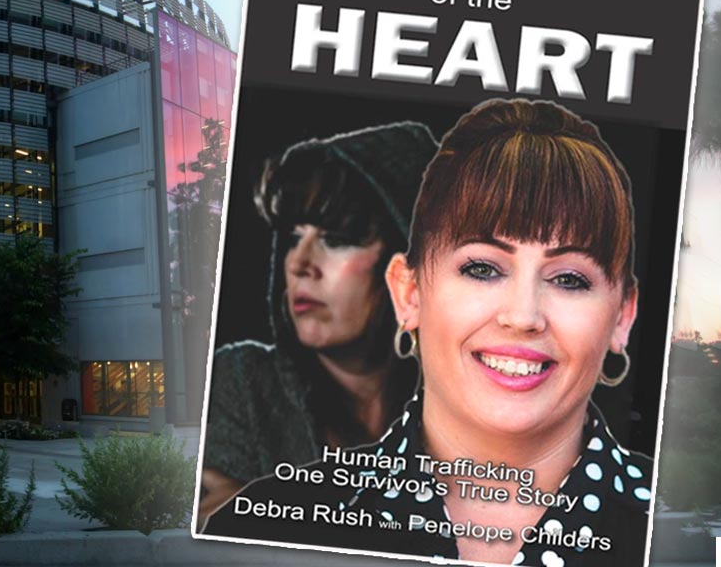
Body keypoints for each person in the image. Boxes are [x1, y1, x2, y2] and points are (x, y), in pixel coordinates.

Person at [202, 99, 654, 567]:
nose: (523, 316)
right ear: (409, 292)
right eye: (482, 268)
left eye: (569, 279)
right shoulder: (259, 529)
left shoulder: (680, 532)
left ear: (622, 316)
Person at [198, 122, 436, 521]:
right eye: (294, 237)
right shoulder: (242, 381)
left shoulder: (465, 402)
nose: (299, 263)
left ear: (406, 271)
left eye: (336, 239)